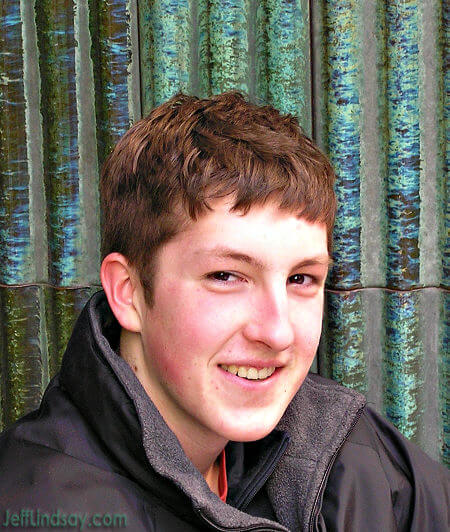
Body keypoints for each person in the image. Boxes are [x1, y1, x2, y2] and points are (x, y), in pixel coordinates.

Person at [0, 92, 448, 531]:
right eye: (226, 276)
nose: (277, 333)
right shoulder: (32, 508)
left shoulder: (345, 447)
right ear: (128, 292)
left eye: (301, 279)